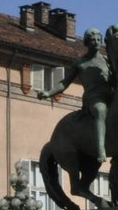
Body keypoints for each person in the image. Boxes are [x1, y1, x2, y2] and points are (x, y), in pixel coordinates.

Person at [39, 28, 112, 163]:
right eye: (93, 40)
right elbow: (64, 83)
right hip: (93, 97)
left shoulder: (107, 60)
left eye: (98, 40)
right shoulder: (80, 63)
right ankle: (101, 149)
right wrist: (49, 93)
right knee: (100, 111)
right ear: (87, 43)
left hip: (110, 94)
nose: (96, 42)